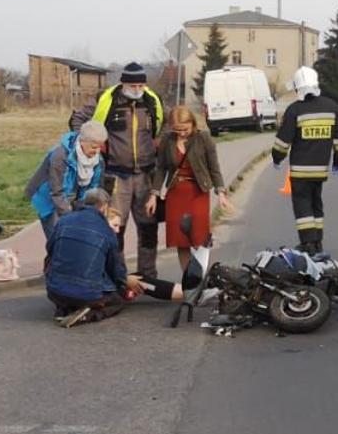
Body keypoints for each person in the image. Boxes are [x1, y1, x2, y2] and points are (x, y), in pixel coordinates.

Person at [71, 62, 163, 278]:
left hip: (146, 176)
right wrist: (87, 143)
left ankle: (148, 277)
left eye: (141, 85)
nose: (138, 89)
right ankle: (119, 277)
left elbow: (164, 126)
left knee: (149, 228)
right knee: (115, 228)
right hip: (115, 175)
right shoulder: (106, 101)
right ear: (123, 83)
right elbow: (77, 120)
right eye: (134, 85)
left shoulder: (151, 102)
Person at [45, 190, 184, 328]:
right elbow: (117, 270)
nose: (117, 230)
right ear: (104, 206)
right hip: (87, 293)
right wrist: (125, 279)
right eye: (115, 226)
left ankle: (65, 308)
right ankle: (89, 314)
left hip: (54, 291)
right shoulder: (104, 230)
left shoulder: (63, 221)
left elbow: (50, 251)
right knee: (120, 297)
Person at [150, 106, 234, 277]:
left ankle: (202, 278)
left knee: (200, 238)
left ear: (192, 124)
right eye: (177, 129)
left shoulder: (203, 138)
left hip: (198, 192)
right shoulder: (167, 140)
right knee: (181, 240)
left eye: (185, 129)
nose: (181, 133)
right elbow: (161, 168)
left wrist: (221, 193)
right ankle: (190, 281)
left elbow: (214, 168)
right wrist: (154, 194)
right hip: (176, 193)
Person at [270, 66, 338, 254]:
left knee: (302, 204)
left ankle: (308, 243)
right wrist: (337, 163)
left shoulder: (295, 110)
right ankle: (318, 241)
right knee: (316, 203)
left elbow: (282, 141)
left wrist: (277, 159)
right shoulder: (332, 108)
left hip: (300, 171)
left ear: (298, 88)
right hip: (321, 170)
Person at [26, 119, 108, 234]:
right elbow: (57, 192)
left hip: (73, 194)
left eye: (100, 147)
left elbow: (94, 189)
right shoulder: (60, 156)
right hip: (50, 197)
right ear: (83, 141)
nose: (97, 151)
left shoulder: (98, 161)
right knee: (58, 235)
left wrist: (85, 212)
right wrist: (71, 218)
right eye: (94, 147)